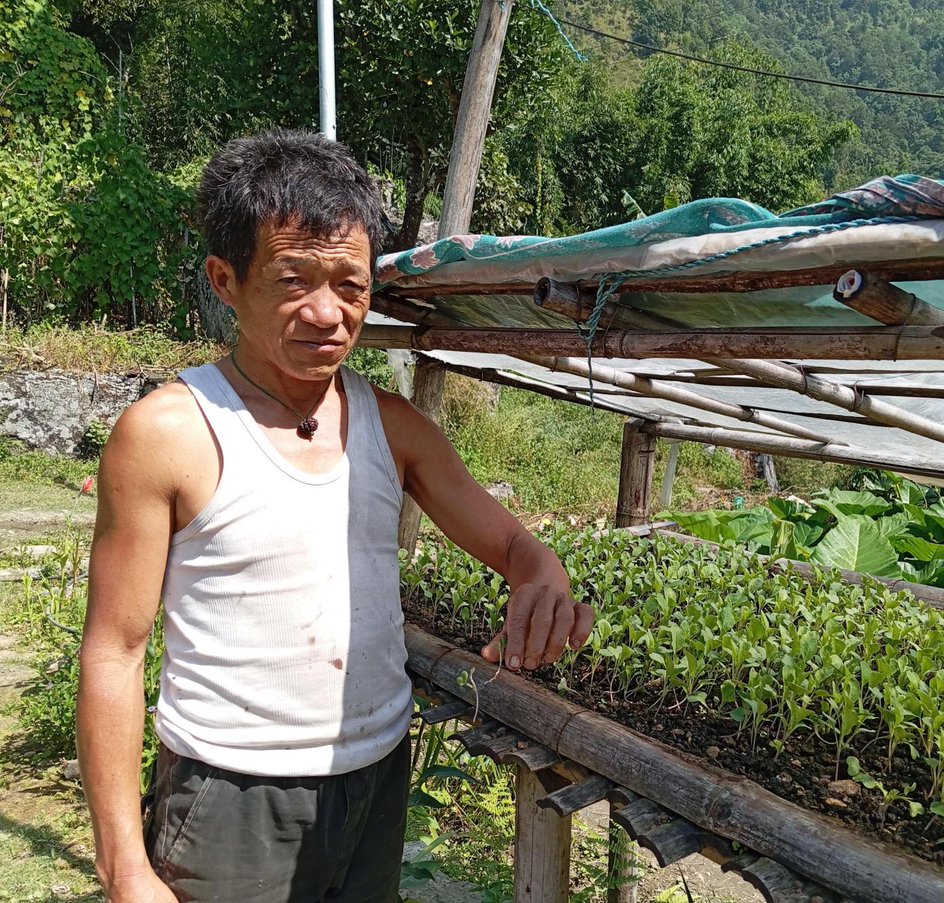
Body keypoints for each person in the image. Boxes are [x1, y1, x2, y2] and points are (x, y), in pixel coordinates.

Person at [77, 130, 594, 903]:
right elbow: (114, 652)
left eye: (350, 286)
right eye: (294, 280)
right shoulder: (170, 433)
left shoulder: (392, 426)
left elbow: (514, 542)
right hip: (233, 795)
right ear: (227, 279)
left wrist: (540, 572)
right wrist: (124, 866)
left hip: (375, 777)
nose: (328, 313)